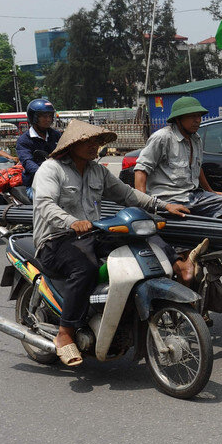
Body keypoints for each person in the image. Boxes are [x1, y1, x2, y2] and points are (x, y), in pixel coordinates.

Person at [31, 120, 194, 366]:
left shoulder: (97, 171)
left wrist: (162, 205)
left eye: (96, 141)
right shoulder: (51, 169)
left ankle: (178, 264)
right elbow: (44, 204)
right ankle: (65, 333)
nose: (93, 146)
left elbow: (127, 194)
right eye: (87, 141)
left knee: (142, 237)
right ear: (72, 144)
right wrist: (72, 222)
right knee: (83, 269)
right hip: (56, 239)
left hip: (91, 235)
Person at [134, 96, 222, 220]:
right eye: (192, 116)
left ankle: (210, 238)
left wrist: (211, 191)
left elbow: (198, 168)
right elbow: (141, 170)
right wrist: (144, 205)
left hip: (192, 196)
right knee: (186, 220)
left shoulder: (196, 139)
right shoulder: (163, 138)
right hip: (168, 199)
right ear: (178, 119)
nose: (198, 120)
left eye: (199, 116)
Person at [16, 98, 62, 196]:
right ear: (33, 117)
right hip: (35, 183)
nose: (48, 119)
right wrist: (46, 174)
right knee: (49, 200)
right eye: (44, 116)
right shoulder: (24, 140)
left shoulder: (56, 135)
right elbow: (27, 162)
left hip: (59, 180)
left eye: (50, 116)